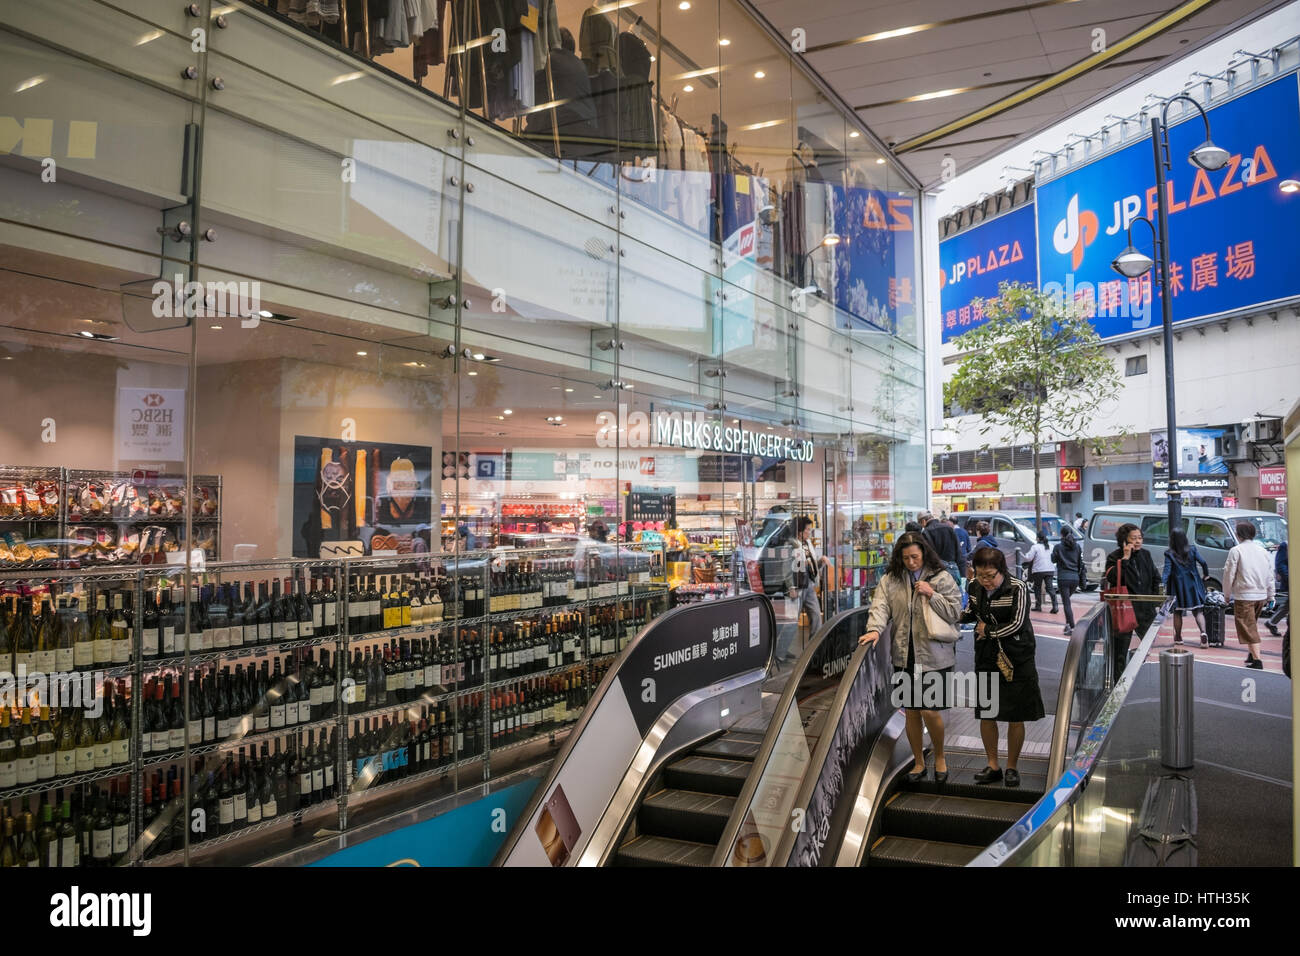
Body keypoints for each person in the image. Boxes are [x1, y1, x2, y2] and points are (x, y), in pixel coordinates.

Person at [858, 532, 963, 783]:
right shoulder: (891, 579)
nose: (911, 562)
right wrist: (874, 628)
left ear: (924, 554)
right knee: (912, 711)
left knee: (930, 710)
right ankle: (918, 761)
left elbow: (955, 612)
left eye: (915, 557)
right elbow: (880, 606)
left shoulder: (942, 577)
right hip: (904, 655)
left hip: (935, 656)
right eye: (906, 558)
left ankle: (939, 756)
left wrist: (931, 594)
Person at [960, 546, 1045, 787]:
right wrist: (946, 611)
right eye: (980, 575)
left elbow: (1018, 623)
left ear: (1001, 571)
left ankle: (1012, 767)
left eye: (990, 576)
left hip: (1017, 657)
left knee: (1014, 715)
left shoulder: (1017, 587)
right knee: (987, 712)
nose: (985, 581)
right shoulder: (974, 587)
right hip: (987, 656)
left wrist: (988, 630)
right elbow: (970, 613)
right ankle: (993, 765)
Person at [1103, 523, 1160, 679]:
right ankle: (1117, 685)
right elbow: (1113, 578)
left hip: (1145, 611)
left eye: (1140, 538)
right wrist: (1126, 559)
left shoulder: (1146, 555)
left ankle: (1135, 674)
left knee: (1149, 644)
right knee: (1120, 652)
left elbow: (1156, 578)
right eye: (1133, 538)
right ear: (1124, 540)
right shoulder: (1115, 557)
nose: (1138, 541)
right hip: (1125, 611)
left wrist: (1154, 601)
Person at [1223, 521, 1275, 670]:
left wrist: (1226, 595)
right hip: (1261, 596)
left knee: (1248, 628)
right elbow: (1269, 575)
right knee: (1251, 626)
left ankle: (1257, 660)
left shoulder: (1236, 550)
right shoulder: (1263, 551)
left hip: (1244, 595)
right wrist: (1271, 596)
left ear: (1238, 535)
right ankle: (1251, 655)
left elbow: (1229, 574)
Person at [1162, 527, 1210, 647]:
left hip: (1177, 586)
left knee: (1177, 612)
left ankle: (1178, 637)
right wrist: (1206, 574)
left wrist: (1162, 584)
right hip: (1193, 583)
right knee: (1198, 611)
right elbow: (1203, 562)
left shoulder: (1169, 553)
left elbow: (1166, 572)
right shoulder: (1192, 549)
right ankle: (1203, 633)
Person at [787, 516, 831, 630]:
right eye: (807, 529)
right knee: (792, 620)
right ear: (799, 531)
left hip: (809, 584)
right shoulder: (791, 544)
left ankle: (815, 646)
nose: (809, 532)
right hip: (798, 586)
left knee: (816, 616)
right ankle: (784, 645)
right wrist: (791, 587)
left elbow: (810, 564)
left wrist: (820, 561)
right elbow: (787, 567)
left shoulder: (807, 544)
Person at [1052, 527, 1083, 635]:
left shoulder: (1058, 547)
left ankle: (1072, 626)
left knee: (1066, 603)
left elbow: (1053, 560)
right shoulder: (1077, 546)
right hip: (1075, 578)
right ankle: (1067, 625)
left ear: (1061, 534)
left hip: (1063, 578)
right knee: (1067, 602)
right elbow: (1080, 562)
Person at [919, 511, 961, 590]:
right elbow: (958, 550)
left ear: (923, 521)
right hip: (953, 568)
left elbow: (929, 554)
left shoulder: (926, 532)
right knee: (956, 595)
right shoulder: (949, 528)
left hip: (938, 570)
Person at [1024, 532, 1058, 614]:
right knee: (1050, 588)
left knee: (1037, 587)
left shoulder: (1035, 547)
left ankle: (1038, 606)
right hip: (1050, 570)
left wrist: (1025, 554)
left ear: (1038, 538)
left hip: (1038, 570)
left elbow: (1028, 558)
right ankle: (1055, 605)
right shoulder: (1051, 546)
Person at [1266, 541, 1288, 637]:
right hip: (1293, 580)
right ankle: (1272, 622)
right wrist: (1289, 578)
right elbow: (1280, 565)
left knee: (1289, 604)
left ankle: (1272, 622)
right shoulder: (1286, 545)